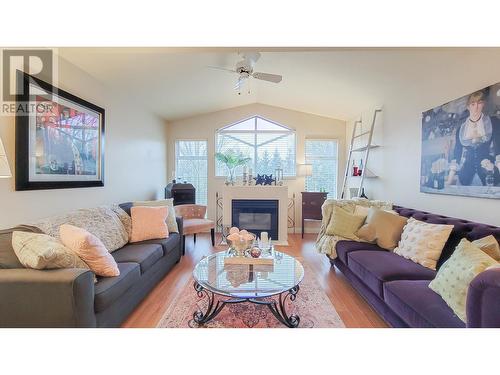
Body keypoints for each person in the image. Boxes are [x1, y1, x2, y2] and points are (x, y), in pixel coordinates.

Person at [449, 90, 500, 186]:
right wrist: (449, 181)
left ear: (483, 104)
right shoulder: (461, 129)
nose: (476, 107)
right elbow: (457, 154)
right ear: (468, 107)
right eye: (473, 104)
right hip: (465, 176)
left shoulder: (493, 122)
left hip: (488, 172)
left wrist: (494, 167)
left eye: (479, 103)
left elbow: (499, 151)